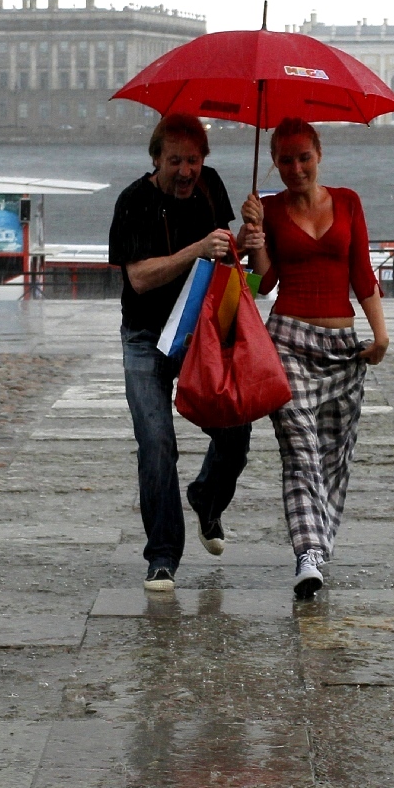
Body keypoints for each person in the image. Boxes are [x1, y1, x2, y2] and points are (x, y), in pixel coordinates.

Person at [108, 113, 266, 593]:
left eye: (193, 160)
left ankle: (207, 498)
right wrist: (197, 248)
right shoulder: (133, 201)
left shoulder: (211, 187)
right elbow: (138, 277)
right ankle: (162, 556)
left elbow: (230, 265)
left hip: (200, 331)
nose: (185, 170)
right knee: (157, 443)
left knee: (236, 428)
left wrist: (246, 240)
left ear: (204, 161)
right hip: (144, 337)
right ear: (155, 159)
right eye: (174, 160)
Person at [240, 117, 389, 599]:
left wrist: (380, 334)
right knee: (300, 453)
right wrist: (255, 242)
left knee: (334, 458)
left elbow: (361, 271)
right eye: (285, 159)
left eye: (304, 156)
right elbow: (263, 285)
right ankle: (307, 553)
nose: (296, 167)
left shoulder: (347, 201)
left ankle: (320, 548)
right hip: (287, 341)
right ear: (275, 162)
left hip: (344, 349)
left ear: (319, 153)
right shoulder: (267, 209)